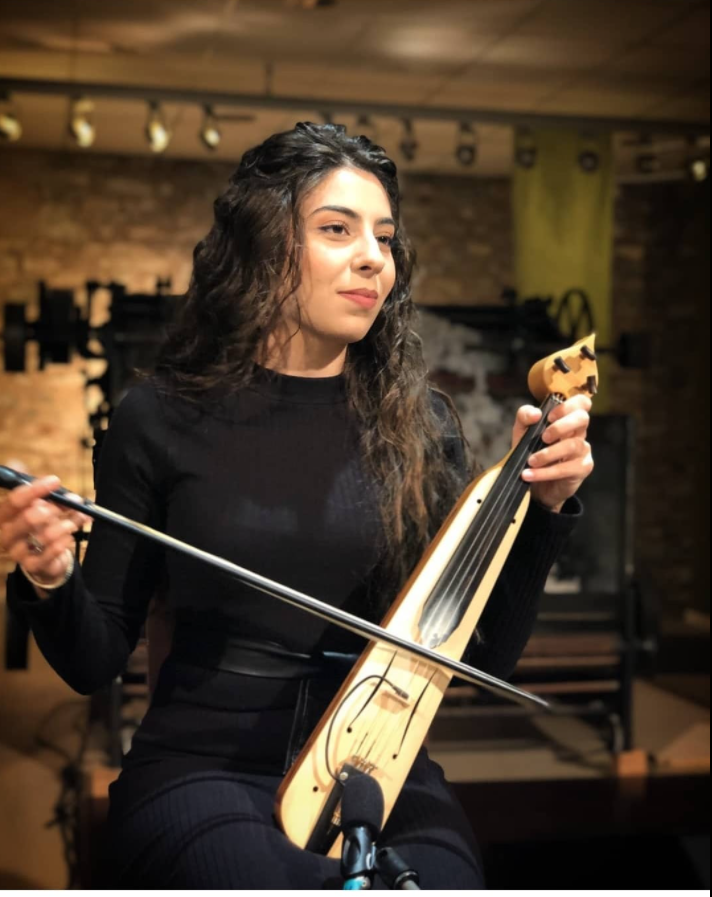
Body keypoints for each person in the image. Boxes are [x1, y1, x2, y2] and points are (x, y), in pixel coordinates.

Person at [0, 122, 593, 888]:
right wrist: (48, 576)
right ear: (264, 245)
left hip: (378, 764)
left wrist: (542, 510)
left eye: (384, 236)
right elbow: (93, 661)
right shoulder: (159, 418)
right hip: (204, 767)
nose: (372, 257)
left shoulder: (423, 425)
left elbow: (484, 658)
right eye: (336, 229)